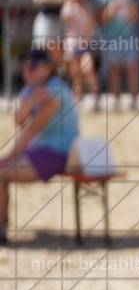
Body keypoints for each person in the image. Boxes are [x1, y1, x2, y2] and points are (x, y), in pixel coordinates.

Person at [0, 50, 79, 245]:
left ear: (48, 67)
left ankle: (1, 227)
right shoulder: (33, 88)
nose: (27, 68)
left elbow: (33, 128)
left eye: (33, 64)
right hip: (40, 150)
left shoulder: (55, 88)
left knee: (1, 171)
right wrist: (33, 94)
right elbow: (19, 120)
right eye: (25, 64)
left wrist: (8, 157)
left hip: (59, 153)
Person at [95, 0, 139, 110]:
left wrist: (130, 5)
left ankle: (134, 101)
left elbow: (136, 19)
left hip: (129, 37)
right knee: (113, 71)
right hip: (111, 38)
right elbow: (99, 20)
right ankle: (116, 102)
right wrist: (112, 8)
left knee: (132, 69)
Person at [60, 0, 101, 108]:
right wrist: (72, 3)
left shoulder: (88, 8)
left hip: (87, 44)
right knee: (76, 75)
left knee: (88, 68)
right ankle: (77, 101)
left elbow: (92, 23)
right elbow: (67, 20)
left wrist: (84, 7)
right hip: (73, 45)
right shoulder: (68, 7)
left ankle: (95, 95)